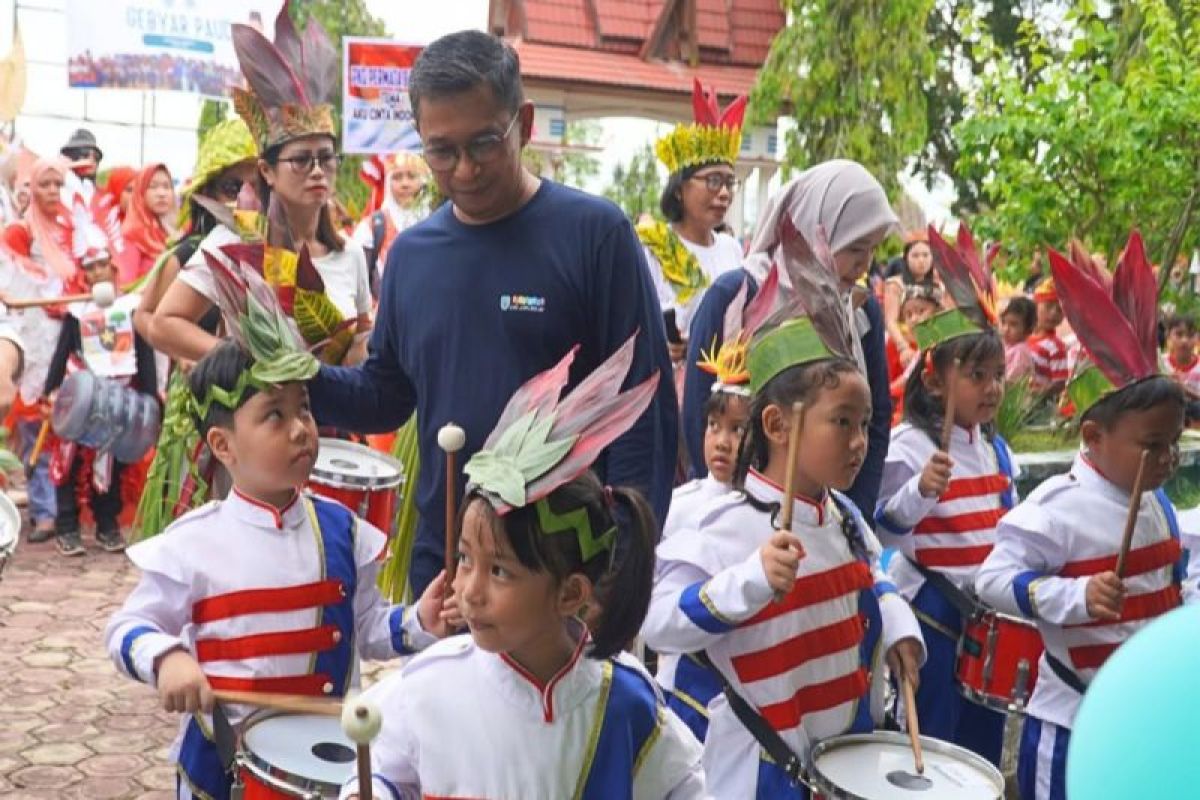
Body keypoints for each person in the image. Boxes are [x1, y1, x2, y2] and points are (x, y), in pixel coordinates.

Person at [306, 30, 677, 600]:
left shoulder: (595, 236)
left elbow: (642, 413)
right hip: (448, 567)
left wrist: (620, 567)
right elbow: (386, 396)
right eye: (441, 151)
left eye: (483, 143)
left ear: (523, 124)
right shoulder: (411, 256)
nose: (465, 169)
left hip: (561, 570)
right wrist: (297, 375)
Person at [105, 263, 454, 799]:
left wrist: (417, 622)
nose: (301, 429)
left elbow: (367, 626)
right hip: (221, 767)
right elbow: (127, 628)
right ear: (224, 446)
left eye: (306, 409)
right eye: (274, 415)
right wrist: (168, 658)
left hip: (322, 763)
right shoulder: (193, 542)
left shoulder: (342, 530)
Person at [340, 333, 704, 800]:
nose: (468, 591)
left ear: (570, 593)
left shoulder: (624, 702)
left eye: (499, 572)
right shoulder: (429, 684)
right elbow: (382, 772)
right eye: (466, 559)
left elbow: (684, 789)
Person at [645, 227, 924, 797]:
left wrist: (897, 627)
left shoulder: (842, 514)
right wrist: (747, 582)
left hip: (839, 759)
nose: (860, 441)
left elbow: (872, 574)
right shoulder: (723, 525)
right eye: (841, 422)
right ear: (777, 427)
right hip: (759, 776)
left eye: (865, 422)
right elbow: (655, 622)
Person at [977, 231, 1189, 800]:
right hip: (1071, 722)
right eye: (1153, 445)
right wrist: (1074, 597)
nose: (1168, 459)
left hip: (1144, 721)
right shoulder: (1056, 508)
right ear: (1093, 436)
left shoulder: (1158, 504)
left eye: (1174, 443)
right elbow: (992, 579)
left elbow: (1175, 578)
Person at [150, 4, 372, 368]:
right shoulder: (237, 244)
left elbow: (360, 342)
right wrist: (252, 366)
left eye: (327, 158)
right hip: (257, 420)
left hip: (329, 422)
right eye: (302, 160)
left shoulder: (350, 255)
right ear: (267, 172)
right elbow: (163, 323)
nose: (318, 171)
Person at [682, 160, 897, 518]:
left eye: (873, 249)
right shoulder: (735, 296)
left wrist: (851, 516)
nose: (865, 265)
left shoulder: (860, 311)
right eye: (855, 248)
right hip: (738, 514)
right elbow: (699, 416)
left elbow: (876, 418)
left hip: (826, 518)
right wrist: (742, 515)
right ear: (817, 231)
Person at [874, 224, 1016, 766]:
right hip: (933, 617)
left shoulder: (997, 451)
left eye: (998, 374)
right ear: (935, 382)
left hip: (986, 623)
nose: (993, 387)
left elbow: (1005, 529)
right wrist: (919, 491)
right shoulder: (911, 446)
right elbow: (882, 529)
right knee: (933, 746)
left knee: (979, 752)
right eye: (977, 375)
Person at [134, 118, 259, 538]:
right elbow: (147, 318)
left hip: (242, 394)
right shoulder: (188, 253)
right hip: (195, 397)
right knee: (190, 504)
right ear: (207, 194)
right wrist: (189, 355)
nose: (244, 196)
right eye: (231, 186)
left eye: (256, 181)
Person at [654, 303, 754, 742]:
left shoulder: (760, 512)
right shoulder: (678, 506)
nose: (722, 441)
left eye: (736, 429)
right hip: (681, 687)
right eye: (714, 425)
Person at [42, 213, 156, 556]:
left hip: (119, 397)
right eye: (89, 268)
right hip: (80, 396)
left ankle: (107, 526)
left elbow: (144, 353)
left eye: (102, 265)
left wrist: (150, 395)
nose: (96, 273)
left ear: (113, 267)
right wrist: (51, 390)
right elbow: (62, 353)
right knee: (70, 462)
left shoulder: (130, 308)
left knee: (112, 462)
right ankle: (67, 527)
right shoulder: (76, 311)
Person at [638, 79, 745, 360]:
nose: (724, 193)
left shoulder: (731, 248)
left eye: (730, 183)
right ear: (679, 189)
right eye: (712, 181)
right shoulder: (653, 248)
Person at [0, 156, 77, 543]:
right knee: (36, 428)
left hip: (72, 340)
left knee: (69, 427)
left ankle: (68, 512)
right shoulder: (19, 231)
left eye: (57, 185)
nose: (50, 192)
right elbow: (6, 284)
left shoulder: (73, 230)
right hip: (32, 339)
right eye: (43, 185)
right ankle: (44, 512)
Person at [353, 151, 431, 290]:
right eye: (397, 177)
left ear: (424, 180)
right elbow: (358, 281)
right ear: (388, 183)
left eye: (412, 176)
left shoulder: (435, 223)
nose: (405, 184)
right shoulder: (371, 227)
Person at [883, 231, 942, 369]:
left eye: (925, 255)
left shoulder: (939, 284)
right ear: (906, 258)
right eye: (915, 255)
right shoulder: (895, 284)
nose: (921, 260)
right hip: (903, 347)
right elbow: (890, 321)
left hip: (934, 346)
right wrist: (903, 347)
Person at [887, 283, 942, 426]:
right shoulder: (922, 350)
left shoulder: (937, 348)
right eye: (908, 315)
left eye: (921, 311)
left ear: (938, 312)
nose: (914, 319)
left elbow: (905, 383)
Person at [114, 163, 175, 285]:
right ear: (140, 193)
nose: (161, 193)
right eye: (153, 187)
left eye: (167, 187)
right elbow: (126, 285)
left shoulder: (171, 232)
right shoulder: (131, 234)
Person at [1027, 278, 1068, 394]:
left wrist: (1041, 392)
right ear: (1035, 305)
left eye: (1060, 310)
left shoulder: (1056, 347)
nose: (1053, 313)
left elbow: (1060, 382)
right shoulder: (1023, 337)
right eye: (1048, 306)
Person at [1161, 314, 1200, 397]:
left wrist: (1185, 389)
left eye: (1190, 335)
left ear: (1197, 338)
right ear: (1168, 336)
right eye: (1179, 334)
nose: (1184, 340)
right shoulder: (1161, 363)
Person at [59, 128, 102, 202]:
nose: (91, 159)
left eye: (96, 156)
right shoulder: (59, 184)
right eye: (84, 153)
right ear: (71, 156)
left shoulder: (95, 191)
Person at [1001, 295, 1036, 381]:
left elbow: (1011, 380)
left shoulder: (1020, 352)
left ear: (1028, 330)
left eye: (1013, 324)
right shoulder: (1006, 346)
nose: (1006, 329)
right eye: (1003, 322)